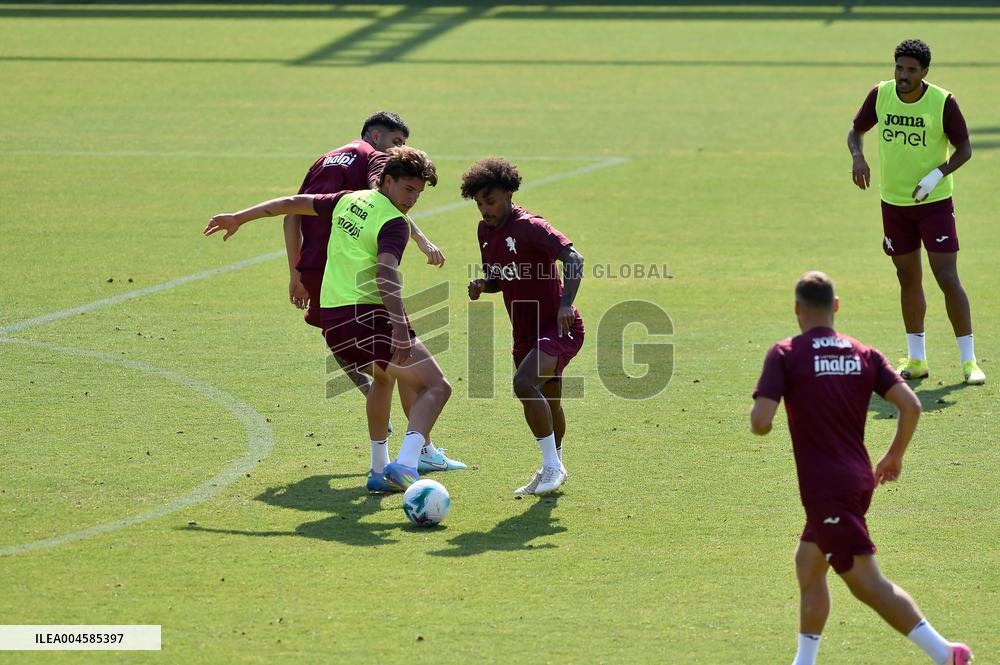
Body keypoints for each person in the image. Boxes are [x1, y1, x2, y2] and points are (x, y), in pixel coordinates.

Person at [750, 271, 973, 665]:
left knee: (867, 585)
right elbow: (912, 405)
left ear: (797, 310)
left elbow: (761, 422)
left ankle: (946, 653)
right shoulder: (863, 354)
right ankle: (804, 661)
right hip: (857, 478)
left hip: (825, 488)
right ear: (835, 307)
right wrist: (894, 455)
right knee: (808, 563)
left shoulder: (786, 354)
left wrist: (765, 411)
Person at [206, 147, 454, 492]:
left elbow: (291, 203)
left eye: (418, 193)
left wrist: (240, 217)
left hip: (334, 322)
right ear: (386, 180)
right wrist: (399, 329)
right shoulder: (394, 224)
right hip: (369, 318)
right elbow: (385, 274)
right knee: (437, 386)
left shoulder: (348, 200)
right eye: (407, 189)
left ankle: (378, 469)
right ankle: (407, 464)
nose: (412, 199)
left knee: (383, 381)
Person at [847, 39, 985, 386]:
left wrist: (937, 174)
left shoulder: (943, 101)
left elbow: (965, 149)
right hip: (893, 204)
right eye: (898, 68)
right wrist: (858, 157)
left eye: (910, 70)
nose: (902, 75)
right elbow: (856, 130)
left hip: (934, 204)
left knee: (946, 277)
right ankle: (917, 359)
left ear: (924, 72)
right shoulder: (881, 94)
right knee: (907, 278)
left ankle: (969, 362)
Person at [462, 158, 585, 496]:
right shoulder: (485, 231)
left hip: (560, 327)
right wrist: (482, 286)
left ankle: (551, 467)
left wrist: (565, 305)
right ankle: (554, 466)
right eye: (479, 203)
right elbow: (500, 279)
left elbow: (575, 259)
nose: (485, 210)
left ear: (509, 194)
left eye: (491, 202)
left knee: (523, 383)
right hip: (526, 333)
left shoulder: (530, 226)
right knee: (551, 402)